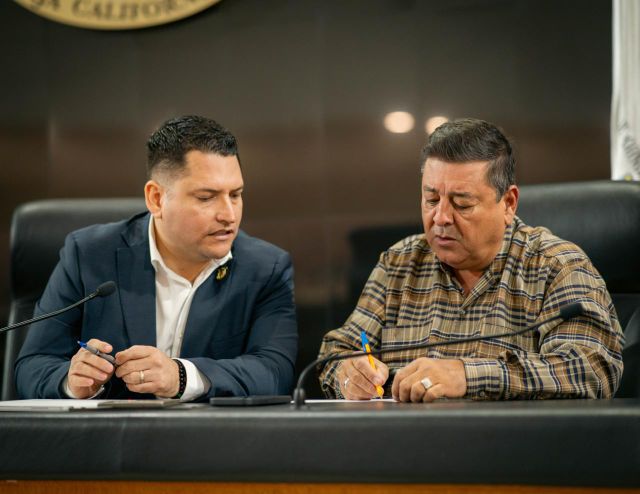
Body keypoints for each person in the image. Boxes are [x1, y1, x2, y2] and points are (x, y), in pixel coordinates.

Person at [318, 118, 623, 402]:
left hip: (505, 441)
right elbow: (337, 351)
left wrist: (468, 376)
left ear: (508, 203)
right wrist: (348, 373)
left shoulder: (556, 266)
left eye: (462, 204)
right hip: (406, 439)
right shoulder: (400, 263)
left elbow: (590, 369)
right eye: (431, 200)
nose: (441, 217)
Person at [16, 115, 298, 401]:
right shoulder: (88, 255)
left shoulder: (266, 269)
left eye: (235, 195)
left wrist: (182, 376)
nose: (229, 215)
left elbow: (275, 371)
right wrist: (71, 381)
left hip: (212, 431)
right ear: (156, 198)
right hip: (111, 429)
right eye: (206, 197)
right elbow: (32, 366)